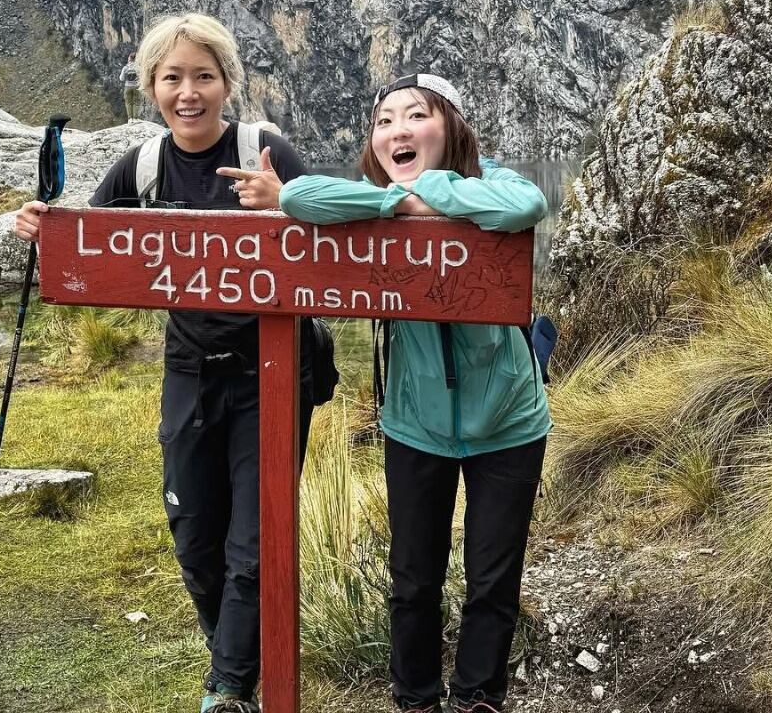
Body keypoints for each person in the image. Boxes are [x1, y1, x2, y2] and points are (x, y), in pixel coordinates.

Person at [14, 12, 317, 713]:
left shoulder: (264, 150)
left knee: (254, 542)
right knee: (193, 539)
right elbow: (89, 249)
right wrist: (40, 229)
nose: (189, 92)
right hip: (188, 372)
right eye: (172, 77)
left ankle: (227, 690)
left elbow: (331, 234)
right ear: (152, 86)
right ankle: (240, 657)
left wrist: (287, 201)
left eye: (204, 76)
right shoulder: (142, 167)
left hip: (269, 374)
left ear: (227, 83)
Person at [222, 72, 549, 713]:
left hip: (509, 419)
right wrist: (397, 205)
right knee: (412, 581)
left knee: (492, 580)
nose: (397, 130)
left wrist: (431, 194)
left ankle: (478, 698)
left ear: (449, 126)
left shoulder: (494, 182)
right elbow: (306, 195)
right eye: (383, 121)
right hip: (413, 422)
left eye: (416, 115)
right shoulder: (367, 196)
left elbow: (525, 206)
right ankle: (416, 700)